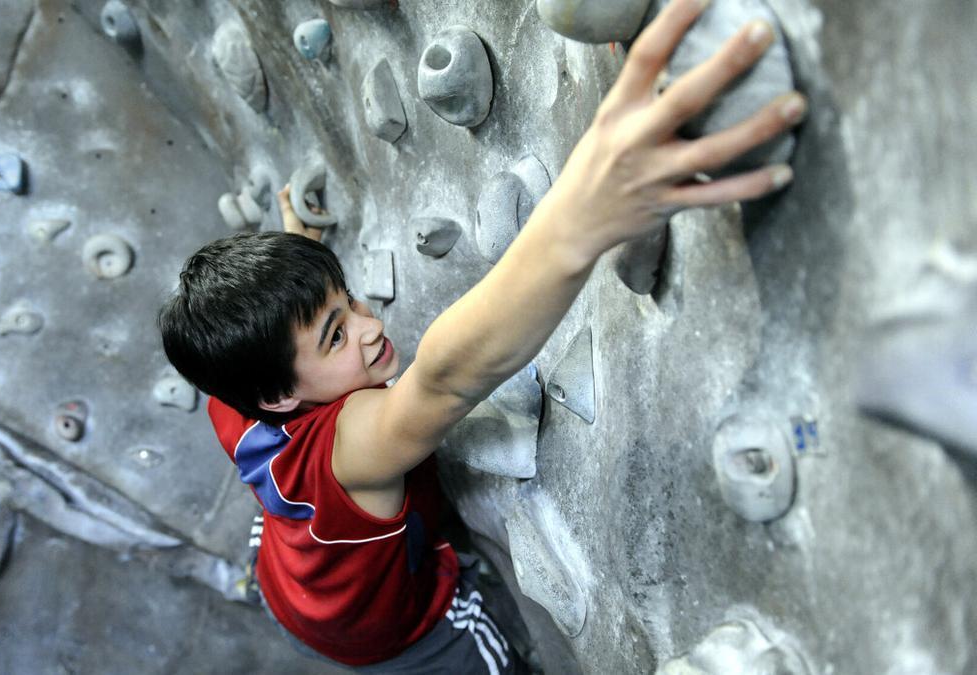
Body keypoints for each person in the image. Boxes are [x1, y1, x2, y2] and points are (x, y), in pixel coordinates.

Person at [157, 0, 806, 671]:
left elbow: (283, 343)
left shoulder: (232, 394)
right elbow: (446, 376)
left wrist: (296, 243)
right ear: (280, 396)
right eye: (333, 337)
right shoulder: (351, 451)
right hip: (397, 635)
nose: (370, 327)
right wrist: (581, 217)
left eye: (346, 300)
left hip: (292, 587)